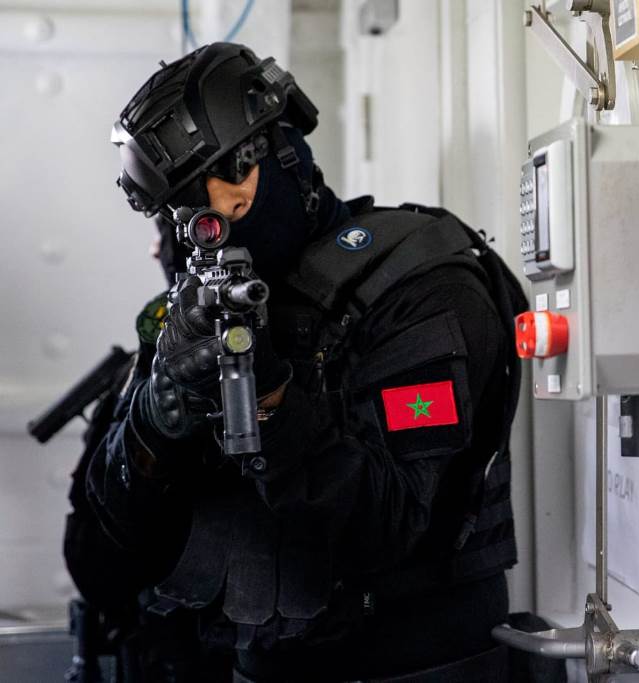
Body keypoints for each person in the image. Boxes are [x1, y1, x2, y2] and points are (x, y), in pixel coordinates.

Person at [74, 41, 526, 682]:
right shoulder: (198, 309)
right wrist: (155, 424)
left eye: (227, 187)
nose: (214, 221)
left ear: (276, 157)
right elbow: (103, 565)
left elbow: (388, 528)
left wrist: (269, 400)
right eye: (184, 212)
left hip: (414, 664)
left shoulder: (418, 286)